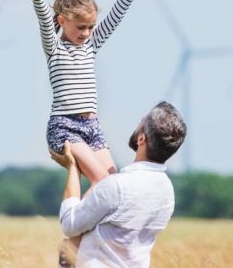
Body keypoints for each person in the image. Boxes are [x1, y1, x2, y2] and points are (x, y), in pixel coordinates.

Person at [29, 0, 152, 183]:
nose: (86, 33)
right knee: (99, 179)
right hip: (64, 126)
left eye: (91, 27)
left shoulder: (90, 46)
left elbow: (116, 16)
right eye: (81, 27)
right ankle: (77, 217)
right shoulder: (55, 48)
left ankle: (94, 218)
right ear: (62, 20)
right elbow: (45, 22)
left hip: (92, 127)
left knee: (112, 184)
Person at [52, 101, 187, 268]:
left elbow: (69, 225)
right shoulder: (167, 191)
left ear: (141, 138)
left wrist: (72, 167)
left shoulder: (117, 187)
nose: (139, 121)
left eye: (142, 121)